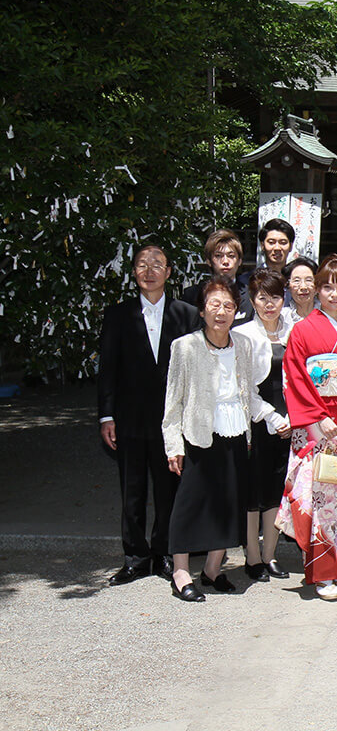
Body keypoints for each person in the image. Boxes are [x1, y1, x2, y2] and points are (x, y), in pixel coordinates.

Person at [162, 277, 286, 602]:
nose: (222, 311)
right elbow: (172, 403)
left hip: (236, 436)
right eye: (214, 305)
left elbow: (248, 393)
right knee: (190, 505)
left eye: (228, 305)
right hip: (199, 435)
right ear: (202, 311)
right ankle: (180, 572)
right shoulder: (185, 346)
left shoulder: (242, 345)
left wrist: (270, 418)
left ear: (236, 310)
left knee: (228, 505)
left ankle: (213, 571)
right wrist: (173, 446)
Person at [98, 244, 199, 585]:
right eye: (142, 264)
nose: (150, 270)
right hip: (129, 419)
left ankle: (166, 553)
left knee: (169, 489)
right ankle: (135, 558)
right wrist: (106, 416)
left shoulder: (186, 314)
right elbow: (108, 370)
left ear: (169, 272)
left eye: (157, 264)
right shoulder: (117, 315)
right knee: (133, 491)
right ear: (134, 273)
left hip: (172, 420)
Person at [278, 255, 337, 601]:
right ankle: (321, 572)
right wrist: (318, 420)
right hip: (318, 428)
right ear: (317, 291)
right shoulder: (302, 331)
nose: (334, 294)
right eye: (327, 287)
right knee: (320, 501)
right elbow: (295, 378)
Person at [232, 269, 294, 582]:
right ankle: (252, 557)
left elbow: (303, 379)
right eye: (261, 297)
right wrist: (271, 416)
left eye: (275, 296)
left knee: (276, 490)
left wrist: (293, 417)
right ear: (252, 299)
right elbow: (243, 387)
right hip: (258, 423)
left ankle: (270, 555)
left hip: (291, 423)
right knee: (253, 493)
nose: (269, 303)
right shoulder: (242, 335)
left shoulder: (294, 329)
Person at [181, 229, 253, 325]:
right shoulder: (192, 294)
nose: (225, 261)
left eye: (231, 256)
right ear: (209, 261)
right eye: (218, 256)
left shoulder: (251, 294)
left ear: (239, 261)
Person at [281, 256, 318, 325]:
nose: (303, 287)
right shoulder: (281, 318)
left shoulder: (327, 315)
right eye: (296, 281)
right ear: (288, 286)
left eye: (308, 280)